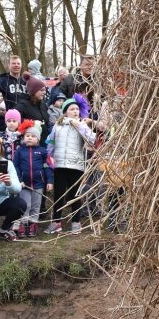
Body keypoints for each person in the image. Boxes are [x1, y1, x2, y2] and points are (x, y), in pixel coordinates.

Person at [46, 96, 96, 235]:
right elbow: (51, 141)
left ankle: (76, 222)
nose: (75, 111)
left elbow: (92, 139)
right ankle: (56, 222)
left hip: (76, 165)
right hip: (60, 164)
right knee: (59, 194)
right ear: (65, 111)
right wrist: (49, 156)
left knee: (75, 194)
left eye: (77, 109)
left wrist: (79, 126)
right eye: (71, 109)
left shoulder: (82, 124)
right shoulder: (58, 125)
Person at [13, 125, 53, 238]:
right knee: (26, 205)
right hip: (24, 185)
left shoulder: (42, 151)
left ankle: (33, 224)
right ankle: (23, 224)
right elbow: (16, 167)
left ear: (38, 139)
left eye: (33, 136)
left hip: (38, 184)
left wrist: (50, 180)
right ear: (24, 137)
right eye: (27, 135)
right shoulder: (20, 151)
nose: (29, 138)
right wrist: (19, 180)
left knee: (36, 205)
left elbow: (47, 166)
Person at [16, 73, 51, 143]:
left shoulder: (43, 104)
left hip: (44, 142)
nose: (44, 92)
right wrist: (32, 123)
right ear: (33, 91)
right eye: (41, 90)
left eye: (44, 90)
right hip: (30, 144)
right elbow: (15, 120)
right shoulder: (23, 104)